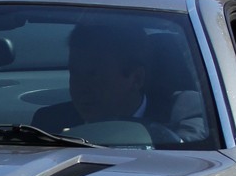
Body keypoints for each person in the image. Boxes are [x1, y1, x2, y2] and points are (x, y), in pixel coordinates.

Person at [33, 20, 206, 144]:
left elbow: (190, 149)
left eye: (94, 75)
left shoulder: (181, 111)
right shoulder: (49, 125)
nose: (80, 88)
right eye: (74, 73)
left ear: (136, 78)